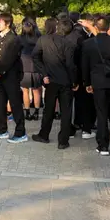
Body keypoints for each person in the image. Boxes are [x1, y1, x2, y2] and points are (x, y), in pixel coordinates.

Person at [82, 16, 110, 156]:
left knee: (101, 114)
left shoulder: (88, 44)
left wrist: (87, 83)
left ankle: (103, 146)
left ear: (95, 27)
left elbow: (85, 66)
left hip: (98, 82)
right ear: (109, 27)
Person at [32, 18, 76, 149]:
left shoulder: (43, 40)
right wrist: (74, 81)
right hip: (65, 81)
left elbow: (35, 57)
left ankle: (44, 134)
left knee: (48, 109)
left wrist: (44, 73)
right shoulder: (69, 44)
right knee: (66, 111)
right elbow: (70, 65)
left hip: (50, 80)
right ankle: (63, 140)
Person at [0, 13, 27, 143]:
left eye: (0, 22)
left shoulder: (13, 39)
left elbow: (9, 58)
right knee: (0, 103)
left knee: (15, 104)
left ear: (8, 24)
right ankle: (1, 129)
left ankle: (20, 132)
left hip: (10, 75)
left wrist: (0, 71)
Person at [67, 12, 94, 140]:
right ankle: (82, 126)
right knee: (81, 101)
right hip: (79, 75)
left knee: (83, 102)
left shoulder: (88, 34)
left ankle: (82, 123)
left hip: (86, 75)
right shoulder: (76, 36)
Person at [19, 19, 42, 122]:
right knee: (36, 90)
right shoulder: (39, 37)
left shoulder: (21, 38)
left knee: (25, 90)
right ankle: (36, 112)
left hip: (24, 66)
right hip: (37, 66)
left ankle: (27, 112)